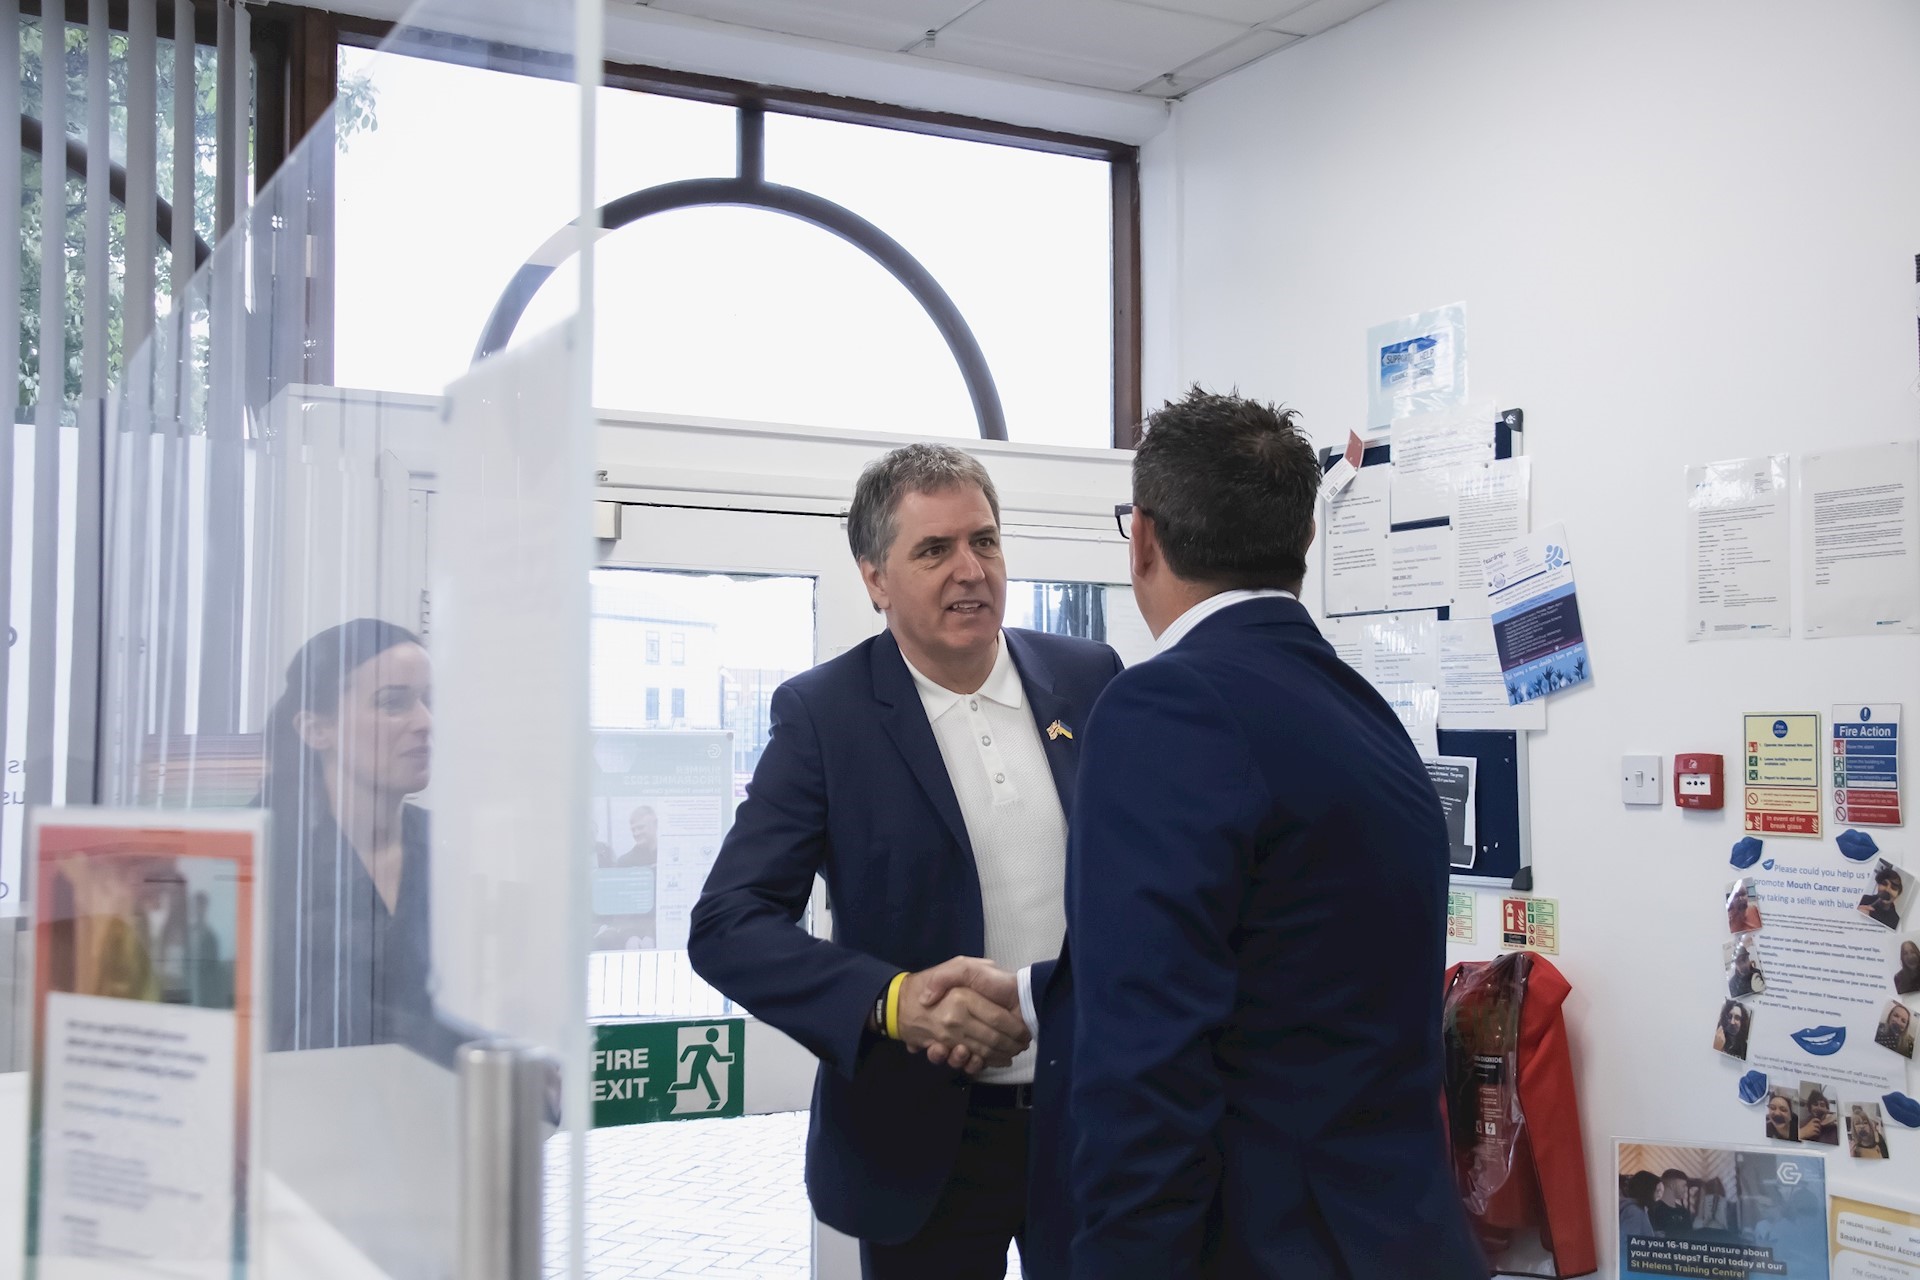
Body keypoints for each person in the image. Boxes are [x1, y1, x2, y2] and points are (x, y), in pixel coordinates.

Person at [1006, 391, 1484, 1278]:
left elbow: (1149, 1066)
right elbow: (1292, 981)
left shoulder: (1164, 706)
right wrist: (1041, 995)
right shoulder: (1361, 712)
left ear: (1143, 537)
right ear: (1303, 540)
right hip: (1395, 1238)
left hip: (1262, 1246)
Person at [687, 443, 1123, 1279]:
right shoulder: (826, 716)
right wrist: (893, 1003)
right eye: (934, 550)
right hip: (923, 1145)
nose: (970, 570)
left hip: (1088, 1121)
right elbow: (728, 924)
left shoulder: (1087, 677)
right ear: (874, 578)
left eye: (984, 541)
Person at [259, 619, 469, 1067]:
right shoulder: (260, 858)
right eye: (394, 703)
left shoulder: (449, 853)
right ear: (316, 730)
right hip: (298, 1125)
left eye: (430, 702)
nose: (425, 723)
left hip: (434, 1127)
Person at [1859, 861, 1905, 929]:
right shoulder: (1863, 899)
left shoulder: (1896, 921)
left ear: (1898, 895)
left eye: (1893, 888)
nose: (1887, 889)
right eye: (1884, 884)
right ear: (1878, 885)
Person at [1650, 1169, 1693, 1237]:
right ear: (1672, 1185)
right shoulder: (1653, 1210)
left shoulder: (1684, 1212)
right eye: (1683, 1186)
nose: (1685, 1190)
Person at [1619, 1171, 1659, 1242]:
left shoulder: (1637, 1209)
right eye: (1657, 1191)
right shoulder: (1635, 1212)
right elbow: (1628, 1243)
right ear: (1648, 1190)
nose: (1659, 1195)